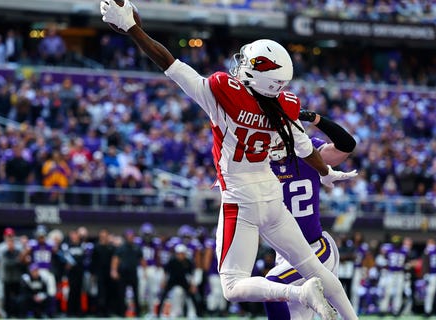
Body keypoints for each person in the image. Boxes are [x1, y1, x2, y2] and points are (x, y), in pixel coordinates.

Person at [100, 2, 358, 319]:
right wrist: (328, 172)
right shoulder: (287, 106)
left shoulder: (225, 92)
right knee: (314, 266)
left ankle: (298, 292)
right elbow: (305, 149)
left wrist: (133, 29)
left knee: (232, 286)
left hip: (241, 197)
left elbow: (170, 63)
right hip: (271, 195)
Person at [263, 110, 356, 319]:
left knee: (271, 286)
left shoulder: (307, 153)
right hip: (284, 254)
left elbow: (346, 145)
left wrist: (315, 118)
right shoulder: (259, 163)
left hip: (314, 248)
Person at [111, 229, 144, 316]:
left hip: (133, 273)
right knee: (121, 294)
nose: (130, 238)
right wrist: (114, 270)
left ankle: (138, 313)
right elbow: (115, 259)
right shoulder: (121, 247)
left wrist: (145, 271)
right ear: (125, 237)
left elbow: (142, 259)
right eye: (128, 236)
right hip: (123, 273)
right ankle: (122, 312)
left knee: (136, 294)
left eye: (132, 236)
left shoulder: (137, 247)